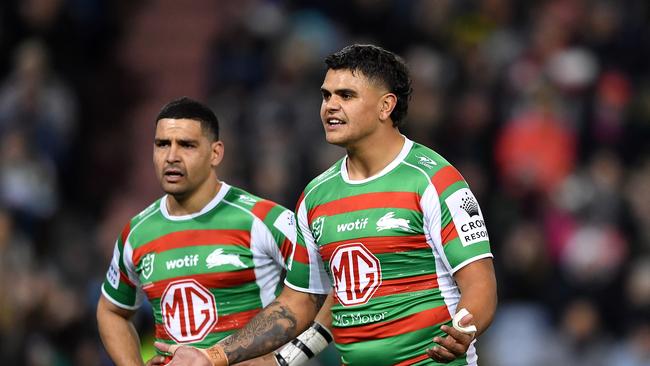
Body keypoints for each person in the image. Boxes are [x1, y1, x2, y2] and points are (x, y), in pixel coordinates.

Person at [158, 44, 497, 366]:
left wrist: (464, 329)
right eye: (326, 95)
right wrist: (214, 356)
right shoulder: (317, 196)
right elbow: (300, 302)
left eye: (346, 95)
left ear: (385, 106)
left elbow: (479, 284)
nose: (329, 106)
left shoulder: (434, 180)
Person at [96, 97, 297, 365]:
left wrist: (282, 360)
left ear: (216, 153)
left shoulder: (265, 219)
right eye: (162, 144)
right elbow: (111, 311)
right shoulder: (137, 233)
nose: (171, 157)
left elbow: (327, 291)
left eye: (187, 145)